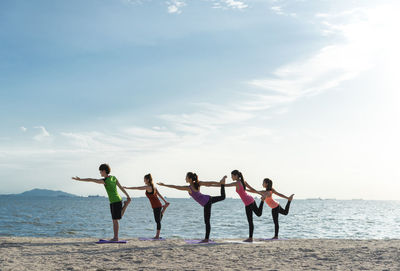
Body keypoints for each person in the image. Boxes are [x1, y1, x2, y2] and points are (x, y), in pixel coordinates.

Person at [158, 172, 226, 243]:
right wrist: (164, 185)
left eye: (186, 177)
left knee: (207, 221)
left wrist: (218, 183)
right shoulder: (196, 185)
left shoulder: (190, 187)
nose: (185, 179)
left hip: (207, 202)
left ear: (190, 179)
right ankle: (222, 184)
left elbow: (209, 183)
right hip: (208, 200)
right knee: (222, 197)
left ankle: (206, 239)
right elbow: (176, 186)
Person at [72, 163, 131, 241]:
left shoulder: (105, 180)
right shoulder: (113, 178)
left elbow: (91, 180)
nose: (100, 173)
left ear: (104, 171)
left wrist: (80, 179)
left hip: (114, 201)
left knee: (115, 220)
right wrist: (128, 196)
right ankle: (125, 205)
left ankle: (116, 237)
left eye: (100, 171)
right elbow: (121, 188)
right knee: (117, 218)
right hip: (117, 199)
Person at [123, 173, 170, 239]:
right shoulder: (154, 187)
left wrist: (127, 188)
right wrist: (165, 202)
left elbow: (137, 188)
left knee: (158, 221)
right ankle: (164, 208)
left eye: (144, 179)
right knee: (158, 219)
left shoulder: (148, 187)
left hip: (156, 205)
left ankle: (157, 236)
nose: (144, 180)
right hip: (157, 205)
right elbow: (159, 195)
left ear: (147, 180)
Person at [225, 170, 265, 242]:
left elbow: (226, 185)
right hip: (249, 202)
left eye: (232, 176)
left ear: (236, 175)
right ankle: (250, 238)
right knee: (255, 216)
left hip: (249, 201)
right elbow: (252, 189)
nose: (231, 177)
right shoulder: (243, 182)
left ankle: (250, 238)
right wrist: (261, 194)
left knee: (252, 219)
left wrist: (218, 184)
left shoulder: (237, 183)